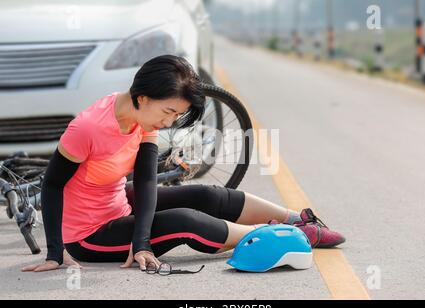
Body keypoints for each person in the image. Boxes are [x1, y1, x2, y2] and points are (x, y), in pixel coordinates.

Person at [22, 55, 345, 273]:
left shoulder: (142, 119)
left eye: (176, 115)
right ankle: (282, 235)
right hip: (87, 236)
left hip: (117, 203)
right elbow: (52, 185)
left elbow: (148, 182)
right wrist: (55, 252)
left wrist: (142, 240)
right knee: (185, 220)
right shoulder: (88, 128)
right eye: (169, 112)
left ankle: (296, 218)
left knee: (203, 195)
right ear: (143, 97)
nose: (170, 121)